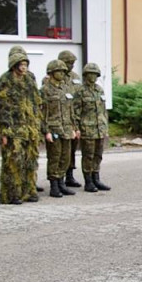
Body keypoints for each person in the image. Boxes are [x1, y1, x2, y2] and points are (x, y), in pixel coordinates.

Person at [0, 49, 42, 205]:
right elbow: (0, 107)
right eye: (20, 64)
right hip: (13, 129)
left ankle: (29, 191)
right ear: (14, 65)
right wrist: (4, 131)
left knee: (31, 160)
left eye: (25, 64)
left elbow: (36, 103)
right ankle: (12, 194)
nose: (23, 68)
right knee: (13, 162)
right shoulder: (4, 81)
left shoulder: (29, 79)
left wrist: (37, 125)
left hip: (30, 128)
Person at [40, 59, 79, 197]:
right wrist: (46, 131)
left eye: (63, 71)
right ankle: (54, 185)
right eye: (59, 71)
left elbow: (71, 110)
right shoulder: (45, 90)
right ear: (51, 72)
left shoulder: (66, 88)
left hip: (67, 128)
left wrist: (75, 128)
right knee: (54, 158)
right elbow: (42, 113)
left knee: (65, 157)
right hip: (54, 128)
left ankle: (62, 182)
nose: (62, 74)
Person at [74, 63, 111, 192]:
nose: (93, 77)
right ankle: (88, 181)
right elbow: (76, 111)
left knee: (98, 155)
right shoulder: (80, 91)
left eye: (95, 74)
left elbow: (103, 110)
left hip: (100, 128)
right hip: (87, 129)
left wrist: (106, 127)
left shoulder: (99, 90)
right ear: (86, 75)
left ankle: (96, 178)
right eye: (91, 74)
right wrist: (77, 128)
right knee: (88, 155)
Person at [58, 50, 83, 188]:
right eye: (68, 63)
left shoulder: (75, 77)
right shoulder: (54, 76)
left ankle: (70, 175)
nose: (71, 66)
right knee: (62, 150)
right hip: (61, 119)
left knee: (72, 149)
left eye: (73, 63)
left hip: (75, 118)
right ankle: (59, 177)